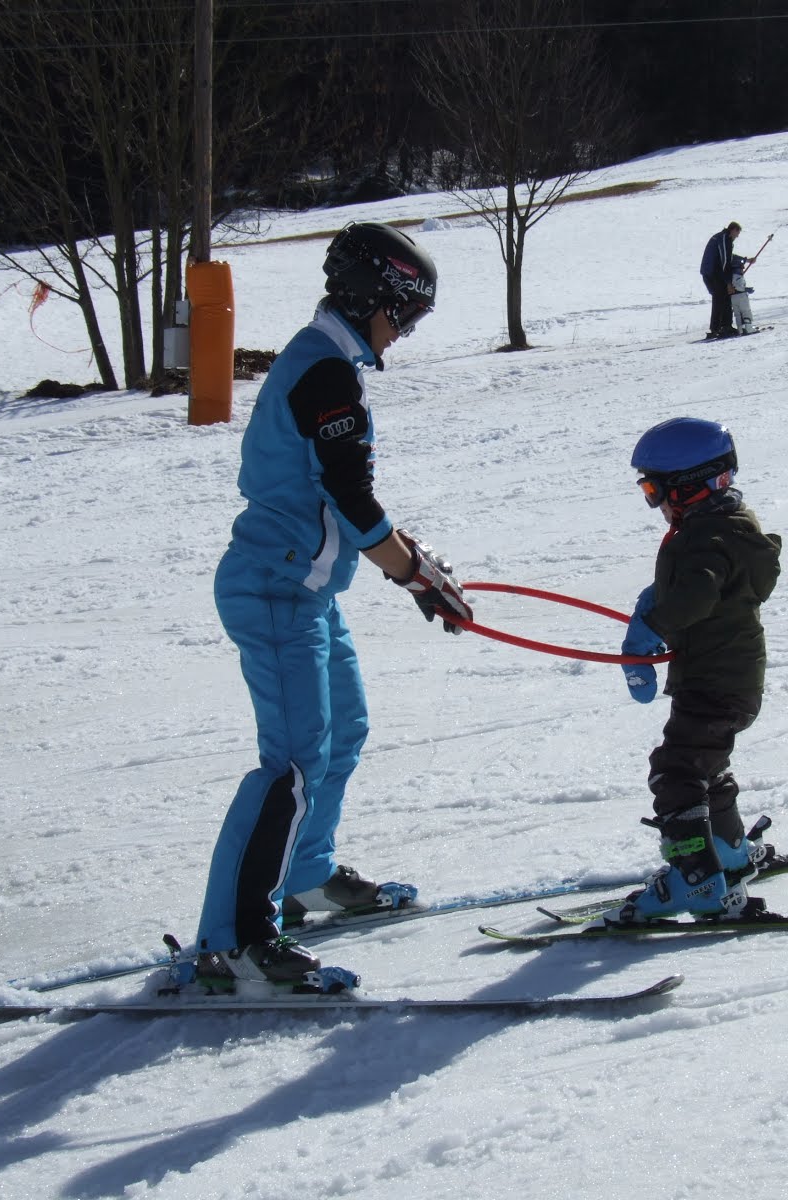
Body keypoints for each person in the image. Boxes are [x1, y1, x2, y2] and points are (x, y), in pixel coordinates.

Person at [192, 221, 473, 993]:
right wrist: (415, 577)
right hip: (277, 590)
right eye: (405, 313)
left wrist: (418, 566)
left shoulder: (328, 362)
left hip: (309, 591)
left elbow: (346, 498)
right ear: (370, 297)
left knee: (341, 730)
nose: (405, 331)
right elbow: (352, 501)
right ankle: (233, 942)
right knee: (290, 764)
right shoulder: (326, 374)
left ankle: (307, 875)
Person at [595, 417, 788, 927]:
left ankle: (696, 879)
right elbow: (701, 584)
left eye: (653, 488)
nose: (652, 501)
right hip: (727, 679)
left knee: (676, 772)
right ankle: (727, 852)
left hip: (714, 683)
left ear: (690, 485)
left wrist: (651, 625)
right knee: (705, 767)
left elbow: (698, 593)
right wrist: (655, 600)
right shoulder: (724, 527)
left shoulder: (706, 538)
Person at [699, 222, 745, 339]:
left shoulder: (723, 238)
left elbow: (727, 257)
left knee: (724, 297)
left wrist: (745, 260)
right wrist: (728, 282)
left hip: (712, 272)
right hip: (713, 272)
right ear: (733, 230)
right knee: (720, 297)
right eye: (737, 233)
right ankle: (716, 328)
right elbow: (724, 263)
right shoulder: (724, 239)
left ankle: (725, 326)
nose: (737, 236)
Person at [727, 253, 758, 334]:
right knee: (746, 311)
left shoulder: (729, 277)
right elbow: (739, 287)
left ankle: (740, 329)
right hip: (741, 296)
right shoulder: (737, 276)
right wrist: (747, 289)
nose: (743, 268)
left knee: (738, 314)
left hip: (733, 298)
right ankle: (748, 328)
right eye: (741, 266)